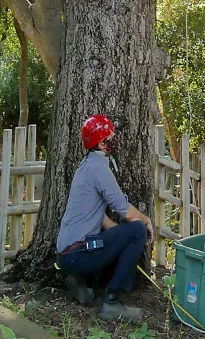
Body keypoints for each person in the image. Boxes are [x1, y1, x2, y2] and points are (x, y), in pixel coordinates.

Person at [56, 115, 154, 320]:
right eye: (111, 137)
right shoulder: (99, 169)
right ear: (102, 144)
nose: (114, 141)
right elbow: (125, 211)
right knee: (137, 230)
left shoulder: (85, 166)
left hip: (66, 254)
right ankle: (111, 302)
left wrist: (119, 236)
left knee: (124, 233)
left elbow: (98, 217)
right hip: (79, 253)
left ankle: (82, 283)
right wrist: (145, 221)